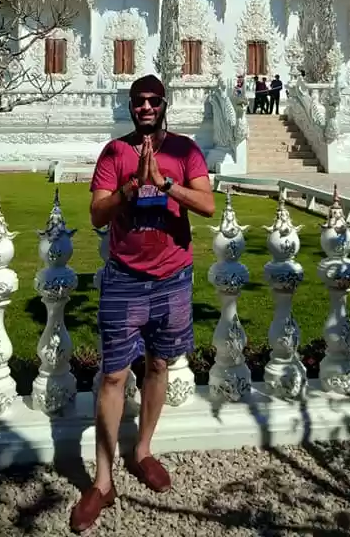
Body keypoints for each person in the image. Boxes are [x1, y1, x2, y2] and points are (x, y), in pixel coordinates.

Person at [70, 74, 215, 533]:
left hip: (172, 276)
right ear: (131, 106)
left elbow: (208, 205)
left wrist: (164, 183)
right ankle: (102, 480)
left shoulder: (186, 150)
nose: (146, 107)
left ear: (164, 104)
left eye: (154, 101)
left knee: (158, 366)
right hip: (125, 277)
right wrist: (131, 188)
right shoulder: (115, 153)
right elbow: (96, 212)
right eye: (139, 101)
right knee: (113, 374)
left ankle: (143, 450)